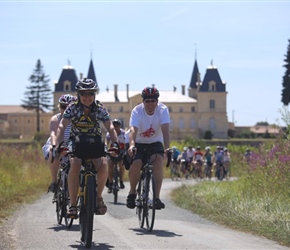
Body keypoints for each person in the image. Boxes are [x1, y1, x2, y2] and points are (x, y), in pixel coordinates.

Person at [53, 78, 118, 218]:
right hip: (76, 140)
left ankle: (99, 197)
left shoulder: (99, 108)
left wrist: (116, 143)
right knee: (75, 164)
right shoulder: (72, 107)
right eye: (84, 94)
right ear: (78, 95)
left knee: (103, 165)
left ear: (95, 94)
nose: (87, 97)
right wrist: (59, 144)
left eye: (90, 93)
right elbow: (62, 126)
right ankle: (73, 205)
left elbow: (110, 126)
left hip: (94, 140)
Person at [126, 86, 170, 210]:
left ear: (157, 101)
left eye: (153, 101)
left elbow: (165, 130)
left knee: (158, 161)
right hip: (139, 143)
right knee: (136, 163)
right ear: (143, 101)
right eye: (147, 101)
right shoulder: (137, 111)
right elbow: (133, 130)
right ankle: (132, 192)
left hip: (155, 142)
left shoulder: (162, 110)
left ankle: (156, 198)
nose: (150, 104)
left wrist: (167, 148)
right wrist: (132, 145)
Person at [42, 94, 76, 193]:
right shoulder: (55, 119)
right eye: (63, 107)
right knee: (53, 153)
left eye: (69, 107)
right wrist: (54, 145)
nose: (65, 109)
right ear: (59, 107)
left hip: (72, 144)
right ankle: (54, 181)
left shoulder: (77, 119)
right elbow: (53, 133)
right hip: (57, 141)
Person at [106, 118, 126, 193]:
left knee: (121, 165)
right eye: (114, 126)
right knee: (110, 166)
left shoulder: (124, 133)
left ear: (119, 126)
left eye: (117, 126)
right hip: (112, 152)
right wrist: (106, 149)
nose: (116, 127)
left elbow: (127, 143)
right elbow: (106, 143)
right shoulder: (109, 134)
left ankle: (121, 181)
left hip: (121, 152)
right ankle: (110, 182)